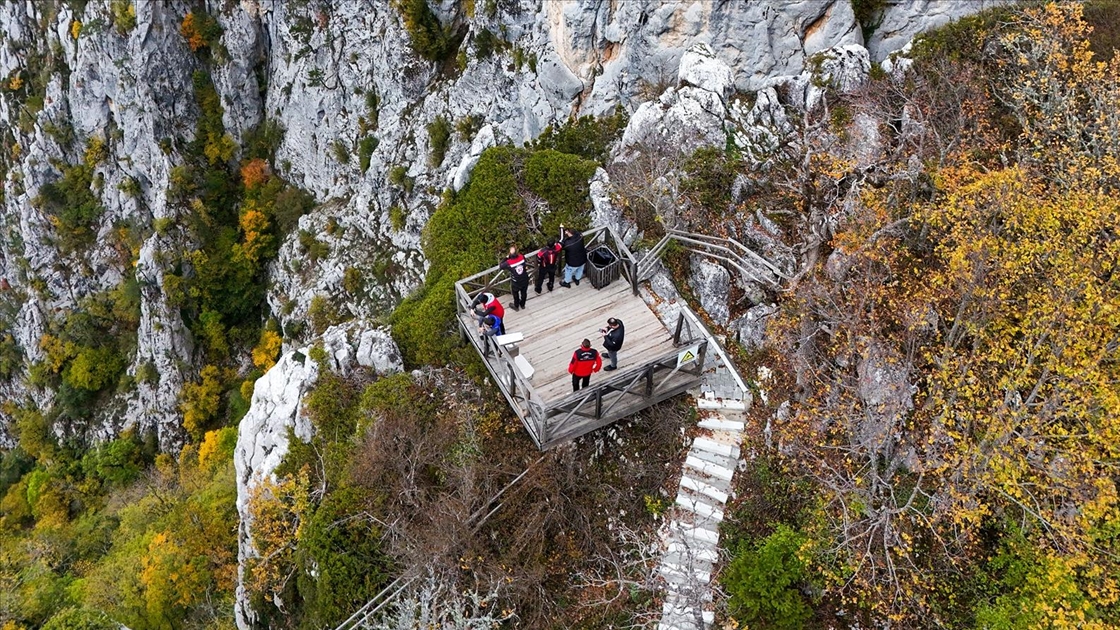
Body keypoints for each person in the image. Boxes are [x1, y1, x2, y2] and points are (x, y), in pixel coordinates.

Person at [500, 245, 529, 310]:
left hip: (516, 281)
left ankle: (516, 306)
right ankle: (522, 305)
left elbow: (501, 265)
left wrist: (506, 257)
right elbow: (525, 262)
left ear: (510, 254)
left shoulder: (508, 262)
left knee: (515, 294)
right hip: (525, 279)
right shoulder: (522, 257)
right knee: (524, 292)